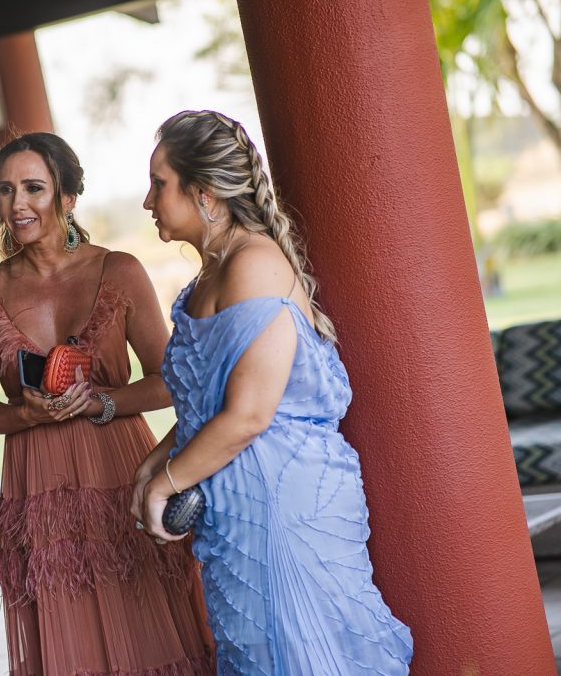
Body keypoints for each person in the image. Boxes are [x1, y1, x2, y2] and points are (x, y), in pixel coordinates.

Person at [133, 109, 414, 674]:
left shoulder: (255, 263)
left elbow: (249, 414)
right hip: (236, 513)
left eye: (159, 183)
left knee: (309, 655)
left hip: (286, 504)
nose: (147, 201)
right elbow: (204, 409)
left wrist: (164, 483)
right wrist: (151, 465)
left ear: (205, 193)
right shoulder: (207, 278)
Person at [0, 132, 214, 675]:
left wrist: (101, 401)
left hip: (122, 472)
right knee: (67, 641)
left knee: (149, 629)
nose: (17, 204)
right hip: (39, 488)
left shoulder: (117, 271)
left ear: (68, 197)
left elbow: (169, 381)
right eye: (5, 191)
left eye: (34, 188)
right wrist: (22, 415)